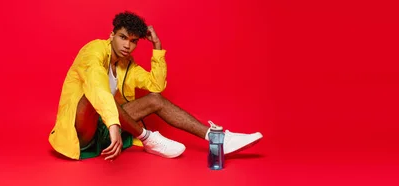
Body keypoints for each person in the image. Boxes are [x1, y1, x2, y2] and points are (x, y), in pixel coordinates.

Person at [48, 11, 262, 160]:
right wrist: (114, 126)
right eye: (123, 37)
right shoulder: (94, 51)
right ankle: (148, 138)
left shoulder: (126, 65)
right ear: (112, 35)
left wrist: (157, 47)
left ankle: (217, 137)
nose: (127, 45)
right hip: (80, 133)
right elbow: (96, 87)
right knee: (95, 95)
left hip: (106, 129)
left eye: (133, 41)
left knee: (155, 100)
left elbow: (155, 85)